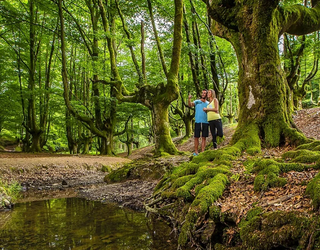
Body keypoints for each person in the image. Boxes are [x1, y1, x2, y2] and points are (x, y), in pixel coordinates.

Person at [188, 90, 209, 156]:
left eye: (204, 93)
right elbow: (190, 105)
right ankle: (196, 152)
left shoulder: (208, 103)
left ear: (207, 94)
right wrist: (189, 99)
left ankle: (202, 151)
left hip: (205, 122)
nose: (203, 94)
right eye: (202, 93)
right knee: (196, 137)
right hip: (198, 122)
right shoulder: (197, 101)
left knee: (204, 137)